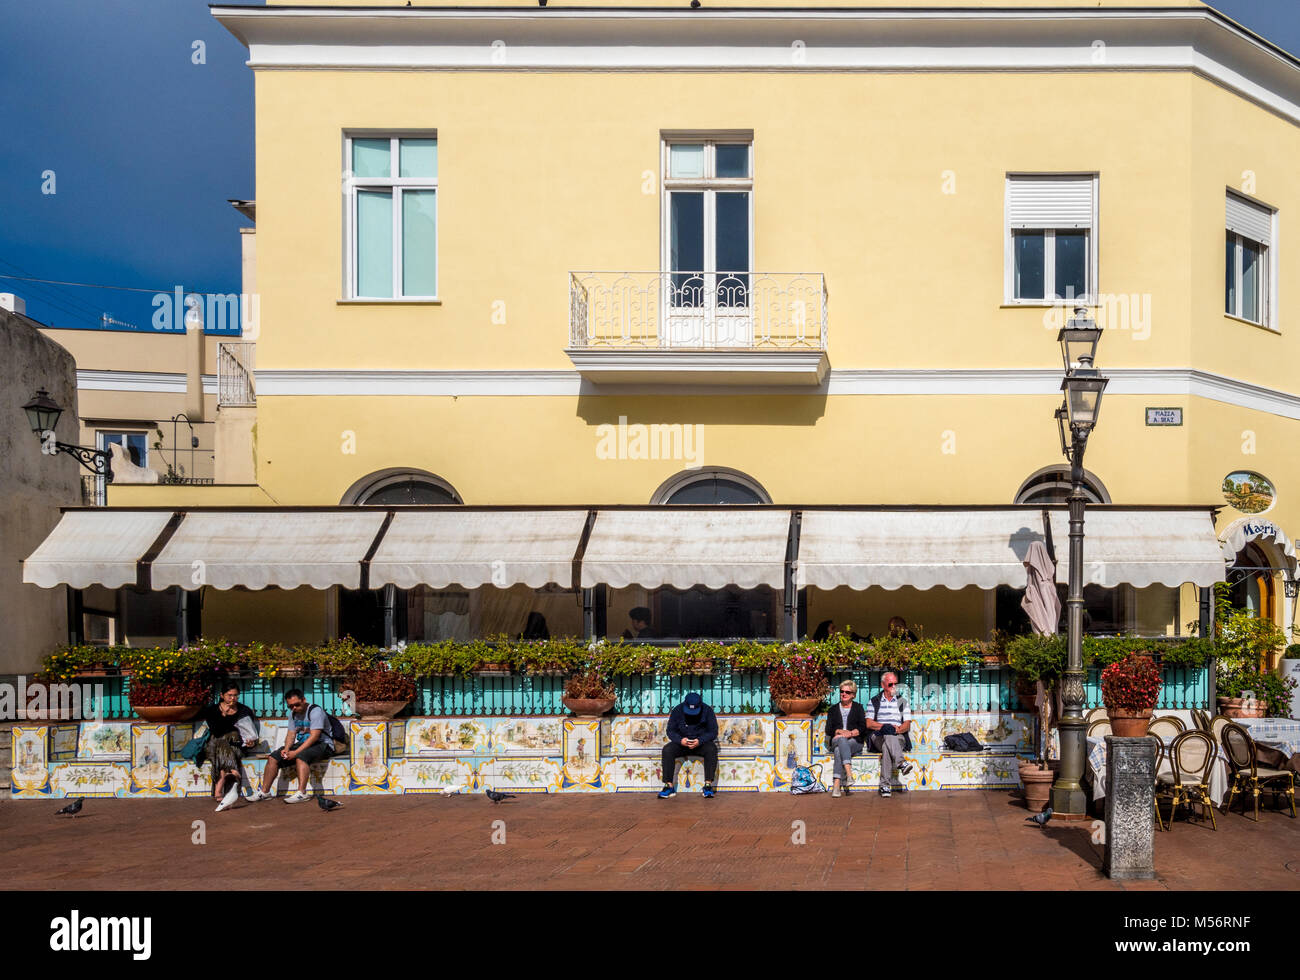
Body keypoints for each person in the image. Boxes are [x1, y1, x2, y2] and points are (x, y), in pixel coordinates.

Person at [247, 689, 334, 804]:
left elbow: (314, 736)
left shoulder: (315, 711)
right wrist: (286, 749)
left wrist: (296, 752)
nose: (294, 708)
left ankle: (302, 793)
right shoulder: (293, 714)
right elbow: (291, 734)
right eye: (290, 706)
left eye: (297, 704)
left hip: (324, 744)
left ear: (303, 700)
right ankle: (265, 792)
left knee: (301, 756)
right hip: (304, 744)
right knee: (273, 758)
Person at [199, 682, 260, 812]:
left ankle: (219, 786)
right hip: (213, 745)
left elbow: (251, 732)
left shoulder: (244, 710)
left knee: (227, 744)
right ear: (222, 695)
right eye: (229, 695)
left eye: (236, 695)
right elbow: (216, 730)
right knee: (222, 740)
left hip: (237, 746)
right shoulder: (212, 710)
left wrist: (251, 743)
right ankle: (232, 771)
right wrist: (225, 713)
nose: (233, 699)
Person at [659, 692, 718, 798]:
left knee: (712, 749)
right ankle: (669, 786)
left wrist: (700, 740)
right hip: (682, 744)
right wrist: (680, 740)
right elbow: (670, 731)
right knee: (667, 750)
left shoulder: (708, 710)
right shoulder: (677, 710)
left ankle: (708, 785)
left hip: (700, 744)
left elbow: (713, 732)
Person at [865, 671, 915, 798]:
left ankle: (885, 785)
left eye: (895, 684)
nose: (894, 687)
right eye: (890, 684)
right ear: (883, 685)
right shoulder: (874, 701)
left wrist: (896, 730)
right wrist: (884, 727)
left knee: (888, 743)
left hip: (898, 736)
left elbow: (907, 725)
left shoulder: (902, 702)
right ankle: (901, 762)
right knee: (887, 733)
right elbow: (869, 723)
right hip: (878, 736)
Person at [825, 679, 868, 798]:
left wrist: (851, 733)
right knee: (841, 740)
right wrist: (840, 731)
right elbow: (828, 730)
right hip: (836, 739)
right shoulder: (833, 710)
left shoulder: (858, 708)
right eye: (842, 691)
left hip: (855, 741)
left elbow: (863, 728)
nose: (843, 694)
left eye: (847, 692)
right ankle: (849, 774)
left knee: (839, 750)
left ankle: (836, 785)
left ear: (853, 695)